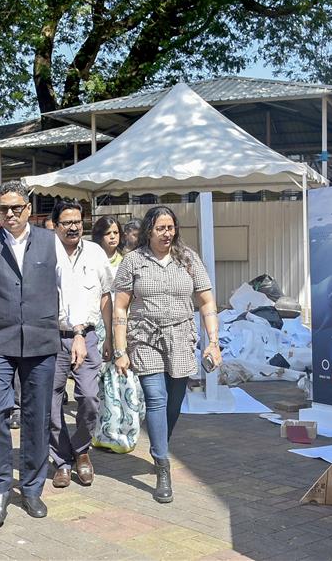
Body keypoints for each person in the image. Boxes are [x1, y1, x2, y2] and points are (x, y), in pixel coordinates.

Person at [0, 179, 86, 528]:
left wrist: (77, 332)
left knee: (37, 416)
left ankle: (32, 487)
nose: (10, 214)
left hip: (41, 341)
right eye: (3, 209)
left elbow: (69, 288)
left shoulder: (50, 242)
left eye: (17, 207)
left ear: (29, 209)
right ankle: (0, 486)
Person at [112, 206, 222, 504]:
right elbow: (120, 306)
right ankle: (162, 464)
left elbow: (207, 301)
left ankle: (162, 441)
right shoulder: (133, 261)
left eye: (170, 227)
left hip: (181, 338)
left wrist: (213, 341)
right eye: (160, 228)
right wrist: (120, 349)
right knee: (156, 398)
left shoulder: (187, 259)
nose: (166, 233)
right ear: (149, 230)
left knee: (174, 403)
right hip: (144, 338)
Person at [49, 201, 113, 489]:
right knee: (50, 402)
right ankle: (61, 460)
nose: (74, 227)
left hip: (88, 336)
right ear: (54, 225)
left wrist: (111, 335)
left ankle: (81, 449)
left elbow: (106, 297)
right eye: (67, 222)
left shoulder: (96, 253)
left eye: (78, 222)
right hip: (52, 337)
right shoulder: (44, 253)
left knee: (89, 397)